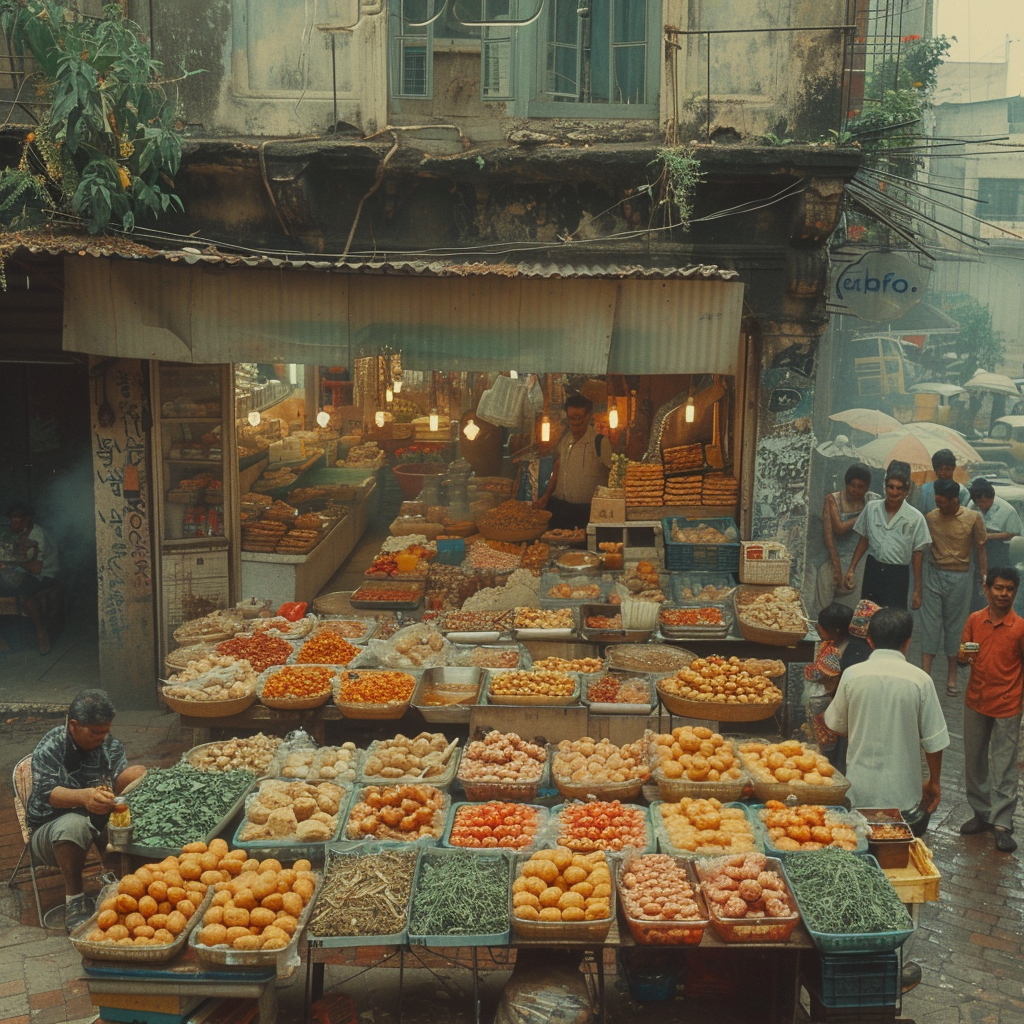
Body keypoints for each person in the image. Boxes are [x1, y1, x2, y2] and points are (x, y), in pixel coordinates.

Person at [26, 690, 146, 931]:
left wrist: (121, 791)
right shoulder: (52, 745)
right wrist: (84, 797)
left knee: (138, 775)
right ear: (74, 725)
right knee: (74, 824)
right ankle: (75, 900)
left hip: (95, 820)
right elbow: (46, 793)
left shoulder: (110, 745)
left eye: (105, 731)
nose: (101, 738)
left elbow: (117, 786)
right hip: (49, 832)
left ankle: (120, 885)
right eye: (94, 732)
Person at [824, 607, 949, 833]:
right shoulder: (920, 681)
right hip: (904, 802)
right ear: (908, 641)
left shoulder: (852, 675)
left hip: (859, 795)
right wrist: (934, 782)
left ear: (870, 640)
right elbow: (934, 741)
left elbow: (835, 724)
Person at [957, 566, 1024, 854]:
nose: (1003, 594)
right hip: (976, 699)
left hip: (1008, 702)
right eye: (998, 588)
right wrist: (962, 655)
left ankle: (1003, 823)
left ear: (1015, 592)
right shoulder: (974, 620)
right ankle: (981, 813)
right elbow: (962, 656)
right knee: (974, 759)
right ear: (987, 589)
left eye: (1009, 589)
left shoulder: (1020, 627)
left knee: (1004, 763)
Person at [921, 478, 987, 698]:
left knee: (956, 627)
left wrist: (984, 577)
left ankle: (952, 677)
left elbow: (981, 547)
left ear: (955, 500)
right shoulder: (930, 518)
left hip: (960, 576)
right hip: (934, 574)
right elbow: (923, 549)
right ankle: (925, 676)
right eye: (937, 502)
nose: (940, 506)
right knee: (930, 624)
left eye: (944, 503)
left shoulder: (972, 518)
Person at [844, 462, 930, 610]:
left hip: (897, 574)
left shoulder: (916, 518)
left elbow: (917, 553)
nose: (894, 492)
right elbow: (864, 538)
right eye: (891, 487)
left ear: (906, 491)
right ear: (885, 486)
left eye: (899, 488)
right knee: (867, 616)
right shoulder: (872, 508)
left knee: (892, 622)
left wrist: (917, 590)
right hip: (873, 569)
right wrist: (852, 568)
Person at [534, 394, 611, 530]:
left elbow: (613, 476)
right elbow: (557, 470)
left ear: (588, 416)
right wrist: (546, 497)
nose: (575, 422)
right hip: (562, 509)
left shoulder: (599, 442)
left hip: (587, 512)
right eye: (571, 418)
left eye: (579, 418)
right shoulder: (565, 441)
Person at [813, 464, 881, 615]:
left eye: (860, 487)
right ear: (846, 484)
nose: (854, 490)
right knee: (823, 606)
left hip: (858, 561)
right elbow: (837, 530)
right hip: (832, 557)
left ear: (867, 488)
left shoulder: (872, 500)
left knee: (852, 610)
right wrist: (837, 567)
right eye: (852, 485)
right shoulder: (833, 499)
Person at [0, 502, 60, 654]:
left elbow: (37, 568)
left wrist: (10, 561)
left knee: (26, 597)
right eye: (11, 519)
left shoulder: (37, 535)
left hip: (44, 574)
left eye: (16, 519)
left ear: (27, 520)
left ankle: (41, 632)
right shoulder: (17, 533)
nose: (12, 522)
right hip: (23, 573)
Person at [804, 603, 853, 767]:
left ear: (836, 631)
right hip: (829, 704)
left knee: (826, 749)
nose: (817, 627)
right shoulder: (840, 643)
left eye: (822, 627)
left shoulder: (835, 654)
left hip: (828, 706)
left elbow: (816, 675)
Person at [967, 479, 1022, 609]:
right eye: (977, 502)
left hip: (998, 549)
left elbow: (1013, 533)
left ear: (991, 498)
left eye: (982, 502)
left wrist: (989, 536)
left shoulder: (1007, 510)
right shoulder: (972, 505)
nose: (979, 505)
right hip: (976, 549)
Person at [914, 449, 971, 514]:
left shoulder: (962, 491)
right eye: (940, 469)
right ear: (935, 470)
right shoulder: (925, 490)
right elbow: (922, 512)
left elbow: (965, 515)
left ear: (953, 469)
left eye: (947, 469)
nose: (943, 472)